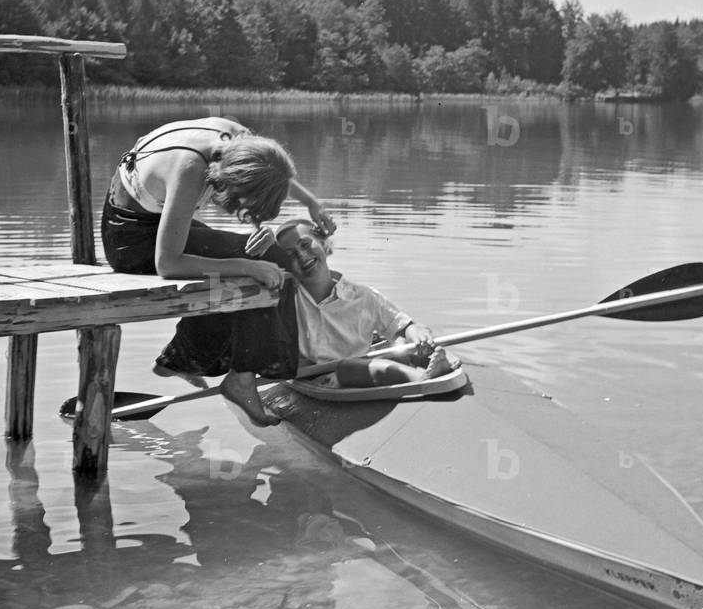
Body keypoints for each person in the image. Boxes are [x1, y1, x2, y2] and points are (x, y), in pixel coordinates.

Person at [101, 117, 335, 424]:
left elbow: (270, 172)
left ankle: (184, 359)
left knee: (272, 258)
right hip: (130, 239)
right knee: (258, 263)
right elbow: (168, 264)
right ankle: (241, 378)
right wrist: (246, 267)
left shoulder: (240, 141)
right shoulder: (190, 169)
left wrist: (311, 202)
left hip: (156, 219)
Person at [255, 218, 459, 395]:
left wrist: (418, 334)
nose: (301, 255)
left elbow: (406, 325)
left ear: (325, 244)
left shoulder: (363, 296)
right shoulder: (283, 297)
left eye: (306, 244)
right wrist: (264, 244)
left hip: (363, 365)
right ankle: (422, 378)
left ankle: (433, 364)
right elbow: (251, 275)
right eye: (290, 255)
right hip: (322, 378)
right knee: (350, 367)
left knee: (401, 343)